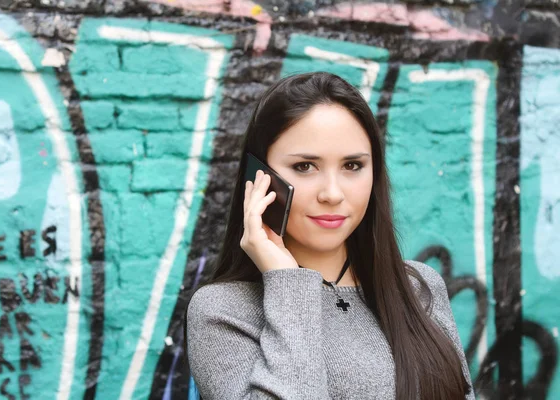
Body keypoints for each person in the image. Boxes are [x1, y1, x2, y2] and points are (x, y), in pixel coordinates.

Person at [184, 72, 474, 399]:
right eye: (306, 166)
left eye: (352, 166)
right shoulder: (223, 310)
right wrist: (286, 282)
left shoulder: (418, 287)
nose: (332, 193)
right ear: (260, 177)